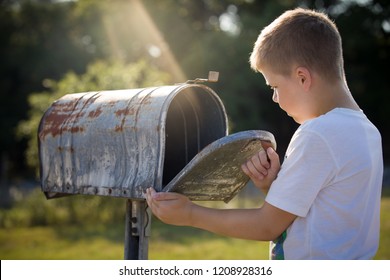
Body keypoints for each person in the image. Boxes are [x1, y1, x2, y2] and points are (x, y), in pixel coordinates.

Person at [145, 8, 383, 260]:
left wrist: (190, 213)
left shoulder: (318, 133)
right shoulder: (366, 131)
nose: (274, 97)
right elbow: (324, 216)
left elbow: (267, 225)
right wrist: (273, 187)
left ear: (302, 78)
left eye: (275, 86)